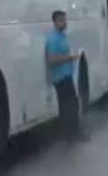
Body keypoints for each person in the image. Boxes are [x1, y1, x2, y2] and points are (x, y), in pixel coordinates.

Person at [45, 10, 81, 141]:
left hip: (66, 76)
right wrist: (69, 57)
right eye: (61, 20)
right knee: (69, 105)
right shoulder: (53, 38)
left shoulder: (62, 36)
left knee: (70, 104)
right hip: (60, 77)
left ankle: (71, 132)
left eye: (65, 20)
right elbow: (51, 59)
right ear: (55, 22)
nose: (64, 23)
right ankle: (70, 133)